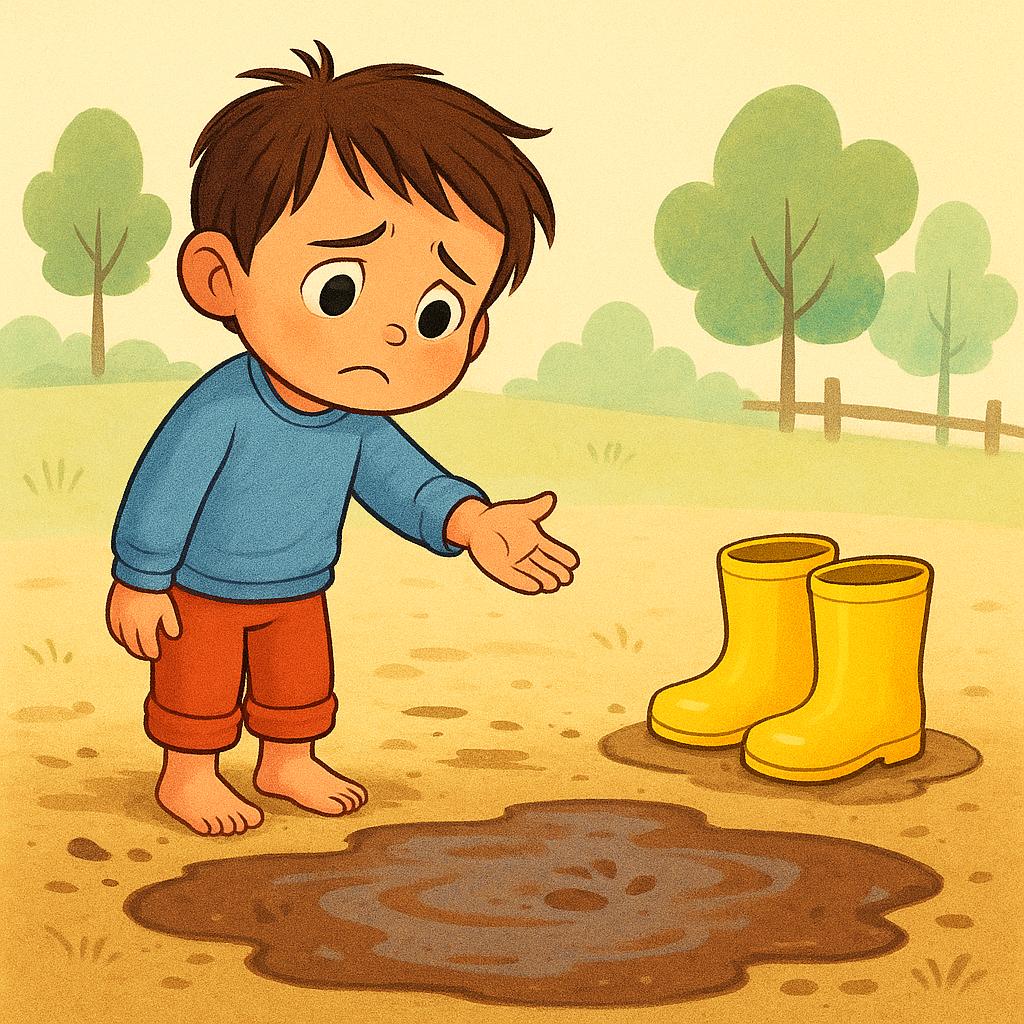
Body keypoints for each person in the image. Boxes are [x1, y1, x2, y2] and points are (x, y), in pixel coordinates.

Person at [106, 42, 578, 837]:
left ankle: (287, 759)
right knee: (198, 686)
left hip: (299, 588)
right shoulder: (222, 407)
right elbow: (165, 487)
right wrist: (140, 578)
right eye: (339, 288)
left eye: (437, 311)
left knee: (298, 681)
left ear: (475, 334)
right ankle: (187, 775)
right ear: (220, 278)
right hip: (203, 593)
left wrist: (473, 523)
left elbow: (408, 484)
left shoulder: (359, 424)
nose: (393, 330)